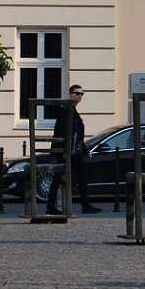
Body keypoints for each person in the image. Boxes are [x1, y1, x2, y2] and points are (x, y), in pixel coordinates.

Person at [47, 85, 99, 214]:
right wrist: (64, 151)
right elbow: (62, 131)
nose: (79, 96)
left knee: (68, 177)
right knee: (67, 176)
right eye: (77, 93)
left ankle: (53, 207)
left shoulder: (71, 111)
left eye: (82, 94)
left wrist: (85, 151)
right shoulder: (65, 110)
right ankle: (84, 206)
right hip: (67, 151)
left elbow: (78, 135)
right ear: (70, 94)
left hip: (72, 150)